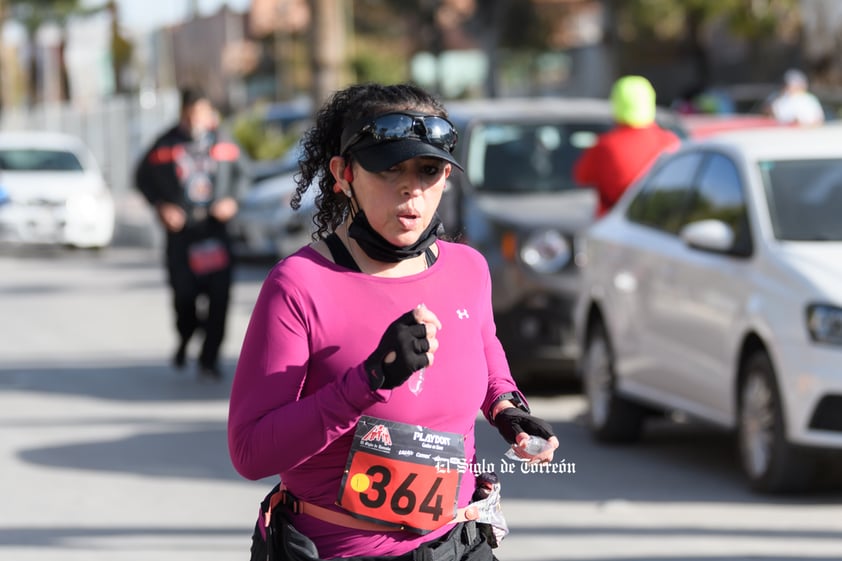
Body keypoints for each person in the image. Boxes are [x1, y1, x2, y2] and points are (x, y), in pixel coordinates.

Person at [227, 82, 559, 561]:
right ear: (343, 173)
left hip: (458, 544)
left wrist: (509, 410)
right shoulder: (298, 284)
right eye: (389, 168)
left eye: (429, 170)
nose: (412, 189)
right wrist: (370, 380)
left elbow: (486, 357)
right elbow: (251, 452)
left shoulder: (468, 269)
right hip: (339, 550)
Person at [135, 87, 249, 381]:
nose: (201, 118)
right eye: (194, 112)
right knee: (184, 296)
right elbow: (141, 177)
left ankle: (209, 359)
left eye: (205, 112)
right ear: (184, 112)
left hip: (215, 230)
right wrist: (161, 207)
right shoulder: (165, 144)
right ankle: (187, 335)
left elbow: (244, 174)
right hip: (182, 235)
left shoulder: (224, 141)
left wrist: (232, 200)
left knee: (219, 297)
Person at [574, 75, 681, 216]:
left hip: (614, 226)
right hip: (660, 226)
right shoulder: (671, 142)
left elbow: (581, 177)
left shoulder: (605, 146)